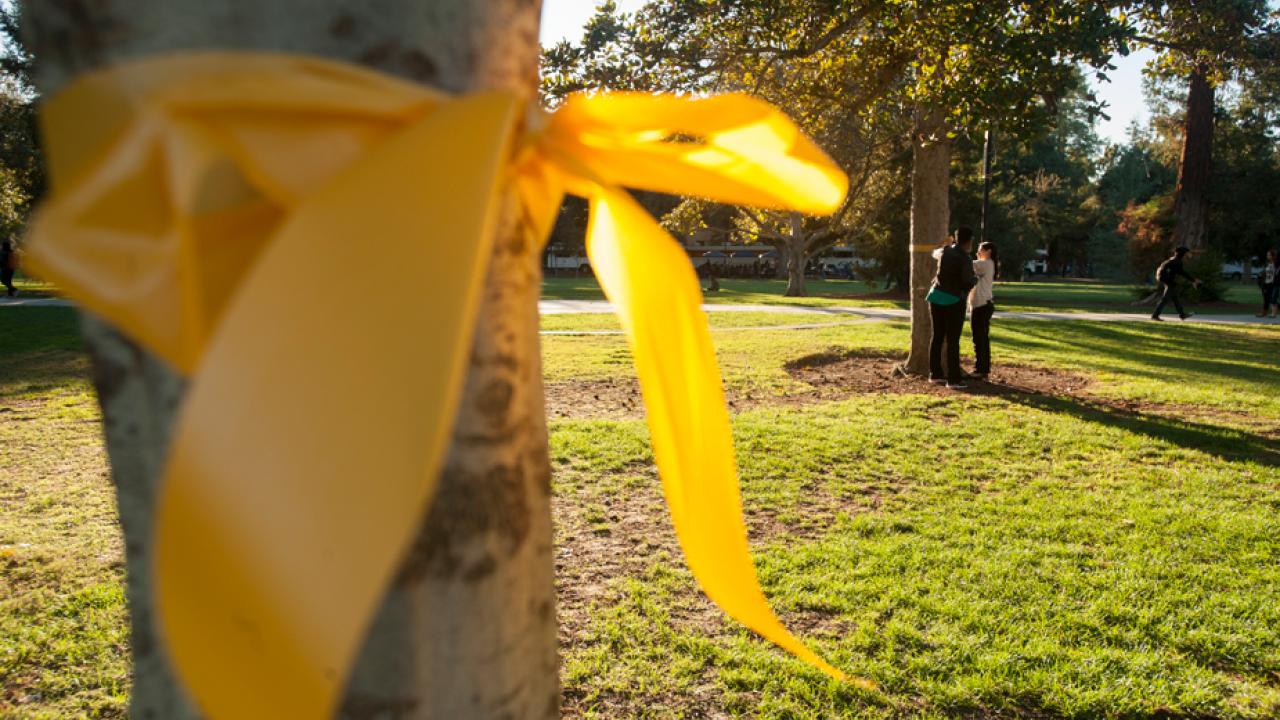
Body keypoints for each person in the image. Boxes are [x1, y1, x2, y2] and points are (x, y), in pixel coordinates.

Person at [928, 226, 977, 388]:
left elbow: (935, 253)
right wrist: (975, 279)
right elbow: (967, 281)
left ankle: (935, 374)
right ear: (969, 241)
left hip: (936, 295)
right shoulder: (965, 258)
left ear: (956, 238)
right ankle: (954, 379)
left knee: (937, 336)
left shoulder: (945, 251)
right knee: (953, 340)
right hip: (954, 300)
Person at [969, 241, 997, 379]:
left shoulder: (985, 264)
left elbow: (965, 263)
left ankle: (980, 369)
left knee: (979, 338)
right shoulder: (988, 264)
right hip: (984, 304)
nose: (978, 252)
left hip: (981, 305)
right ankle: (983, 368)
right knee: (982, 338)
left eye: (980, 250)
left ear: (988, 252)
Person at [1151, 246, 1200, 321]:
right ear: (1183, 254)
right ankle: (1155, 316)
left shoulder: (1173, 259)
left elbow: (1174, 271)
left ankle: (1182, 314)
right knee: (1165, 299)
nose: (1188, 255)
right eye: (1187, 253)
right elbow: (1182, 272)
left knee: (1175, 298)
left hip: (1165, 279)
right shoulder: (1177, 262)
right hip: (1167, 280)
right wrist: (1193, 280)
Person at [1256, 249, 1277, 318]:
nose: (1268, 256)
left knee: (1272, 298)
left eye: (1269, 255)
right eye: (1267, 255)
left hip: (1272, 283)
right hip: (1266, 283)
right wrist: (1261, 274)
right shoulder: (1267, 263)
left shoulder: (1276, 264)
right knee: (1266, 298)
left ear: (1273, 256)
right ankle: (1264, 312)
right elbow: (1265, 272)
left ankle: (1272, 313)